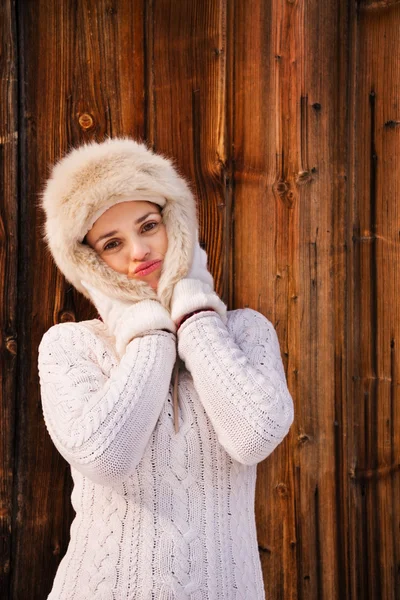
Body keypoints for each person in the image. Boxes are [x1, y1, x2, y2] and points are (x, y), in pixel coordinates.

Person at [38, 137, 294, 600]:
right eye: (112, 242)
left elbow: (253, 436)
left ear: (174, 223)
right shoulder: (69, 346)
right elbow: (105, 457)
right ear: (89, 263)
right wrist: (149, 333)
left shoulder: (245, 332)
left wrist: (195, 316)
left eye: (148, 225)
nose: (139, 252)